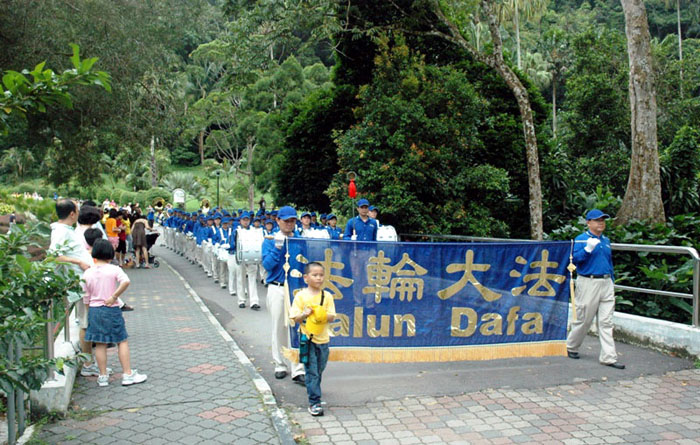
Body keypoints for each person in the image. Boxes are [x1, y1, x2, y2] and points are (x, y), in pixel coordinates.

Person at [82, 239, 147, 386]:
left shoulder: (88, 272)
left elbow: (85, 295)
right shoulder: (114, 269)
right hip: (111, 308)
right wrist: (114, 296)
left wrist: (89, 311)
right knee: (121, 340)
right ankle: (127, 374)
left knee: (100, 343)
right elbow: (126, 281)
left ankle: (102, 376)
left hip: (94, 309)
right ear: (110, 253)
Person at [566, 209, 625, 369]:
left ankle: (609, 357)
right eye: (597, 220)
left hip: (606, 282)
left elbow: (609, 262)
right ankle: (571, 346)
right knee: (584, 319)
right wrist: (587, 250)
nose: (601, 223)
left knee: (606, 321)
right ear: (588, 222)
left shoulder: (606, 240)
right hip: (588, 281)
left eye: (602, 220)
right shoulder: (581, 239)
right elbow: (573, 260)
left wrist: (611, 279)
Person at [49, 199, 99, 378]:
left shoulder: (65, 230)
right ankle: (88, 364)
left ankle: (90, 362)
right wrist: (79, 262)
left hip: (83, 280)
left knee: (87, 321)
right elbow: (54, 255)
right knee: (85, 323)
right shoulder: (61, 232)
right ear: (72, 213)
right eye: (77, 210)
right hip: (80, 282)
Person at [262, 206, 306, 384]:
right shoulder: (270, 240)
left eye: (292, 220)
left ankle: (298, 368)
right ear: (278, 221)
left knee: (298, 327)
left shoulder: (299, 240)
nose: (289, 223)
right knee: (279, 326)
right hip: (277, 287)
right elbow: (267, 265)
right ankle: (280, 364)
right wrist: (277, 247)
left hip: (297, 288)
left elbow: (306, 264)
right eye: (286, 220)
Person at [289, 262, 336, 416]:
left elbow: (332, 316)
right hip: (307, 339)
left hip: (323, 339)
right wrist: (305, 314)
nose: (318, 278)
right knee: (312, 371)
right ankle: (314, 402)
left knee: (319, 368)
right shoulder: (301, 296)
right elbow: (294, 317)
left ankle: (314, 389)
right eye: (315, 275)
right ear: (306, 278)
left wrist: (321, 314)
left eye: (321, 275)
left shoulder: (327, 296)